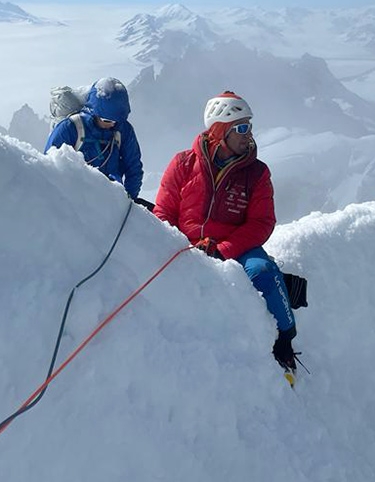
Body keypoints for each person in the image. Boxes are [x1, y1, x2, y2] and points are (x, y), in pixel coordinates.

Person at [154, 91, 298, 372]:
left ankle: (285, 341)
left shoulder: (256, 173)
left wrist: (222, 250)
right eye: (241, 128)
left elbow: (262, 223)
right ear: (220, 131)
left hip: (238, 245)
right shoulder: (183, 164)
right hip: (188, 245)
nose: (249, 135)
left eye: (249, 127)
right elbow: (163, 214)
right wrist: (182, 245)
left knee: (264, 273)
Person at [45, 77, 146, 203]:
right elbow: (50, 168)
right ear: (93, 112)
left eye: (117, 120)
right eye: (107, 120)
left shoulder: (123, 129)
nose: (113, 124)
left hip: (112, 201)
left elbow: (133, 167)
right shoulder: (70, 128)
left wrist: (128, 201)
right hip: (76, 202)